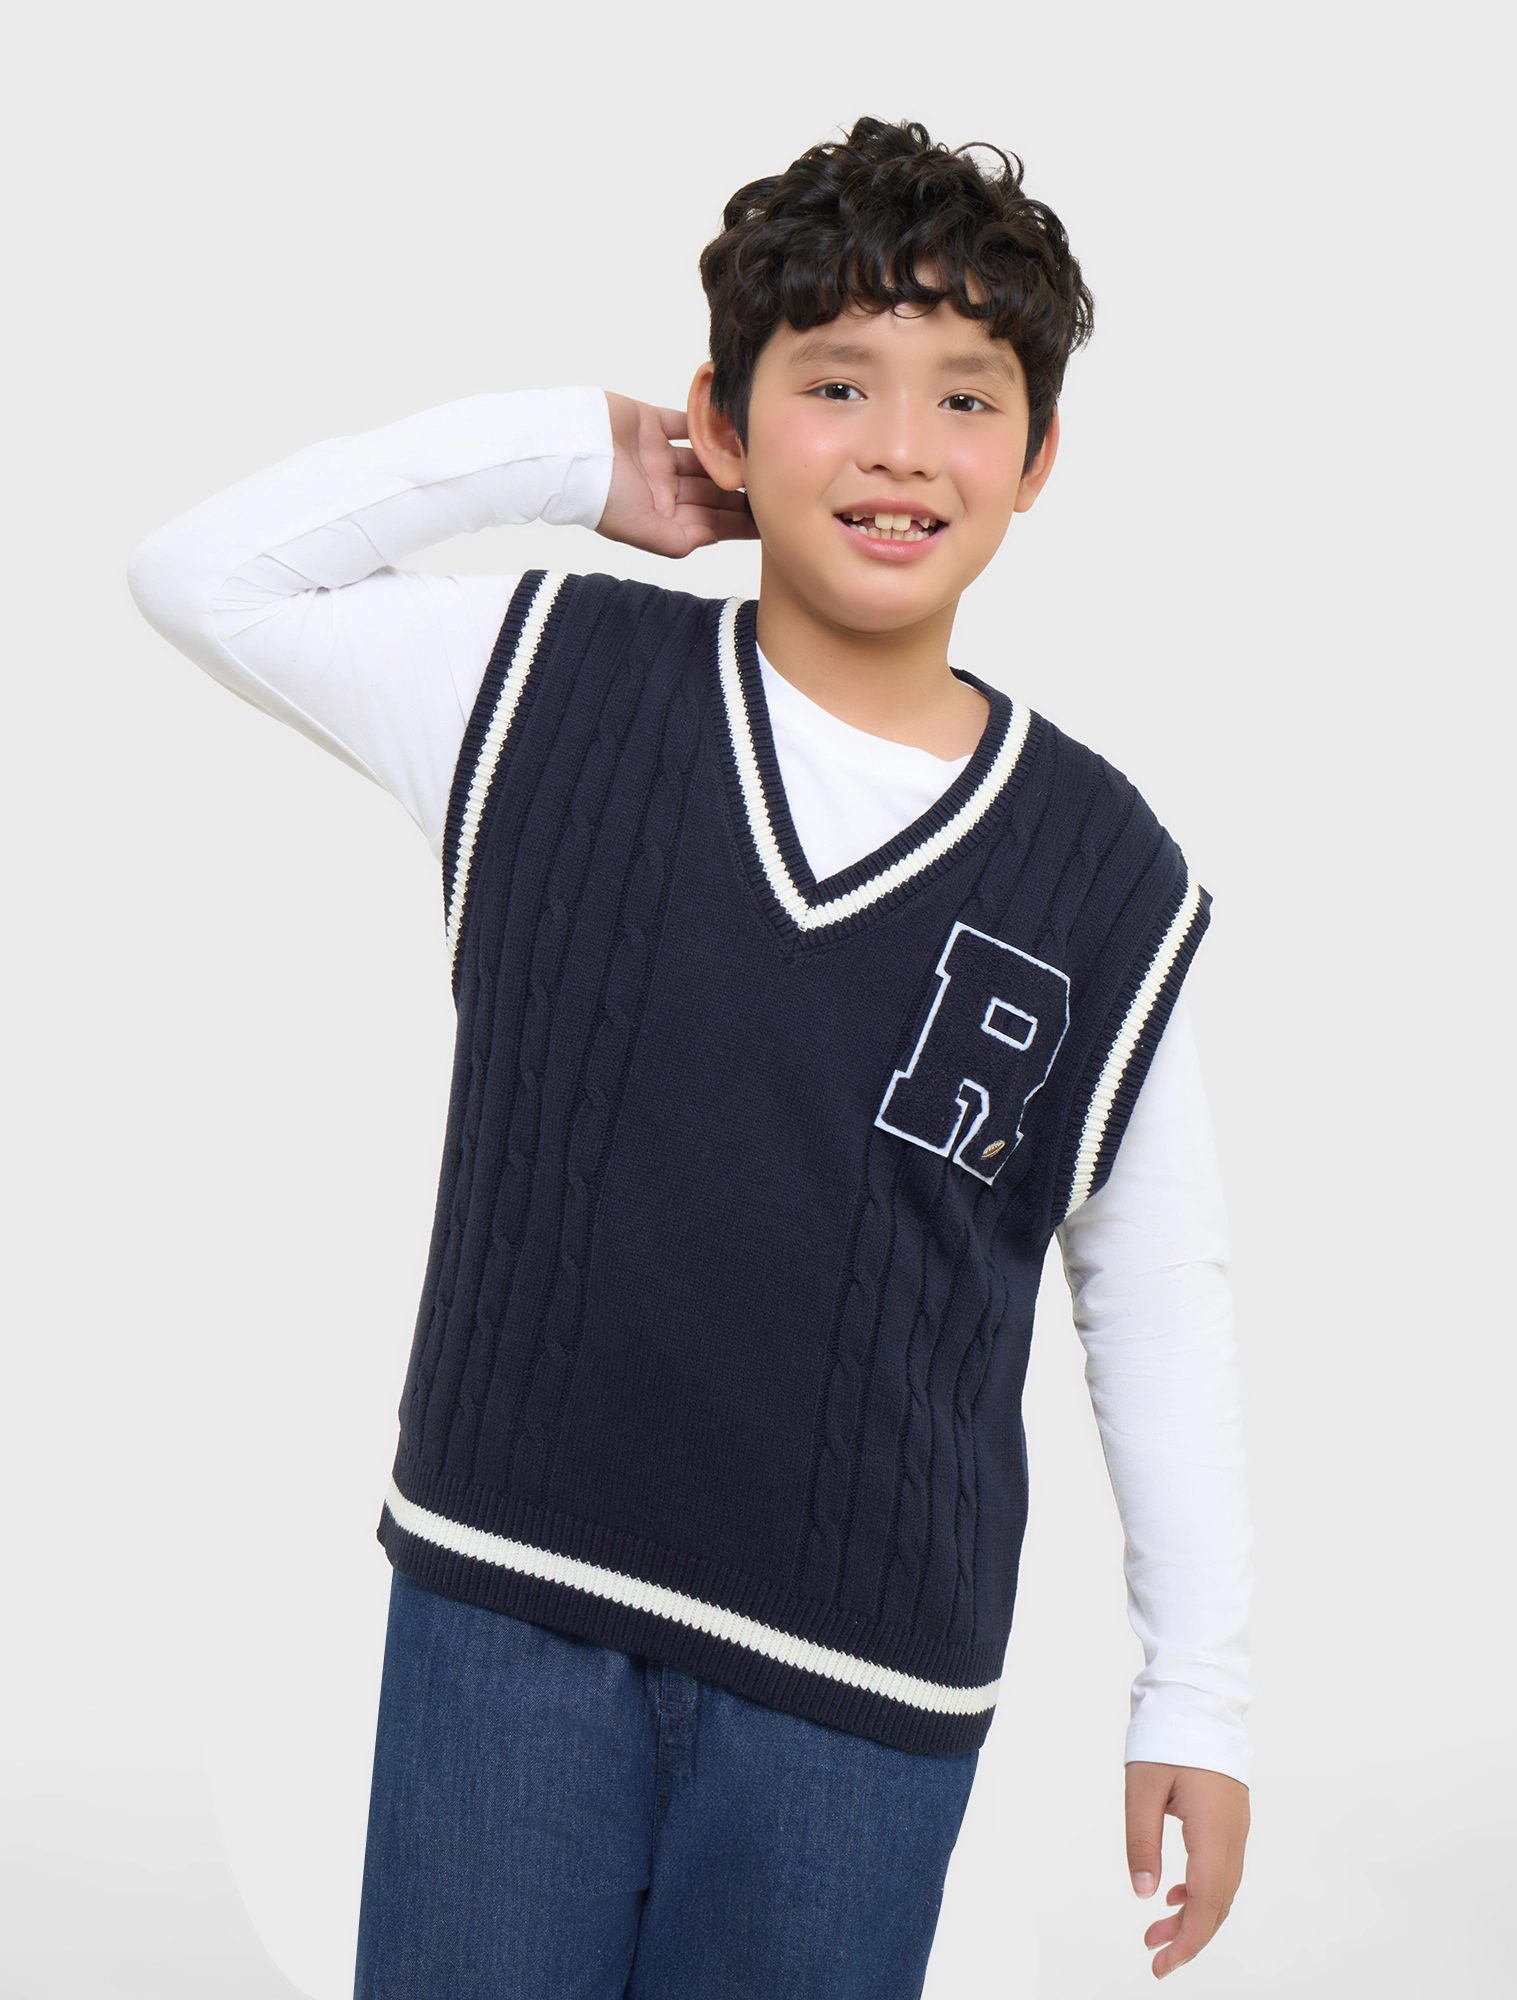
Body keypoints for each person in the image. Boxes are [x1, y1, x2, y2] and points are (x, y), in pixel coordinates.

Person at [128, 116, 1252, 1997]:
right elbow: (204, 576)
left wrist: (1197, 1693)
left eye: (967, 399)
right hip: (507, 1619)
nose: (900, 447)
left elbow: (1155, 1290)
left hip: (857, 1698)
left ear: (1038, 457)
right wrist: (585, 459)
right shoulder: (537, 687)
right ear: (726, 421)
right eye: (835, 383)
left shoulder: (1103, 870)